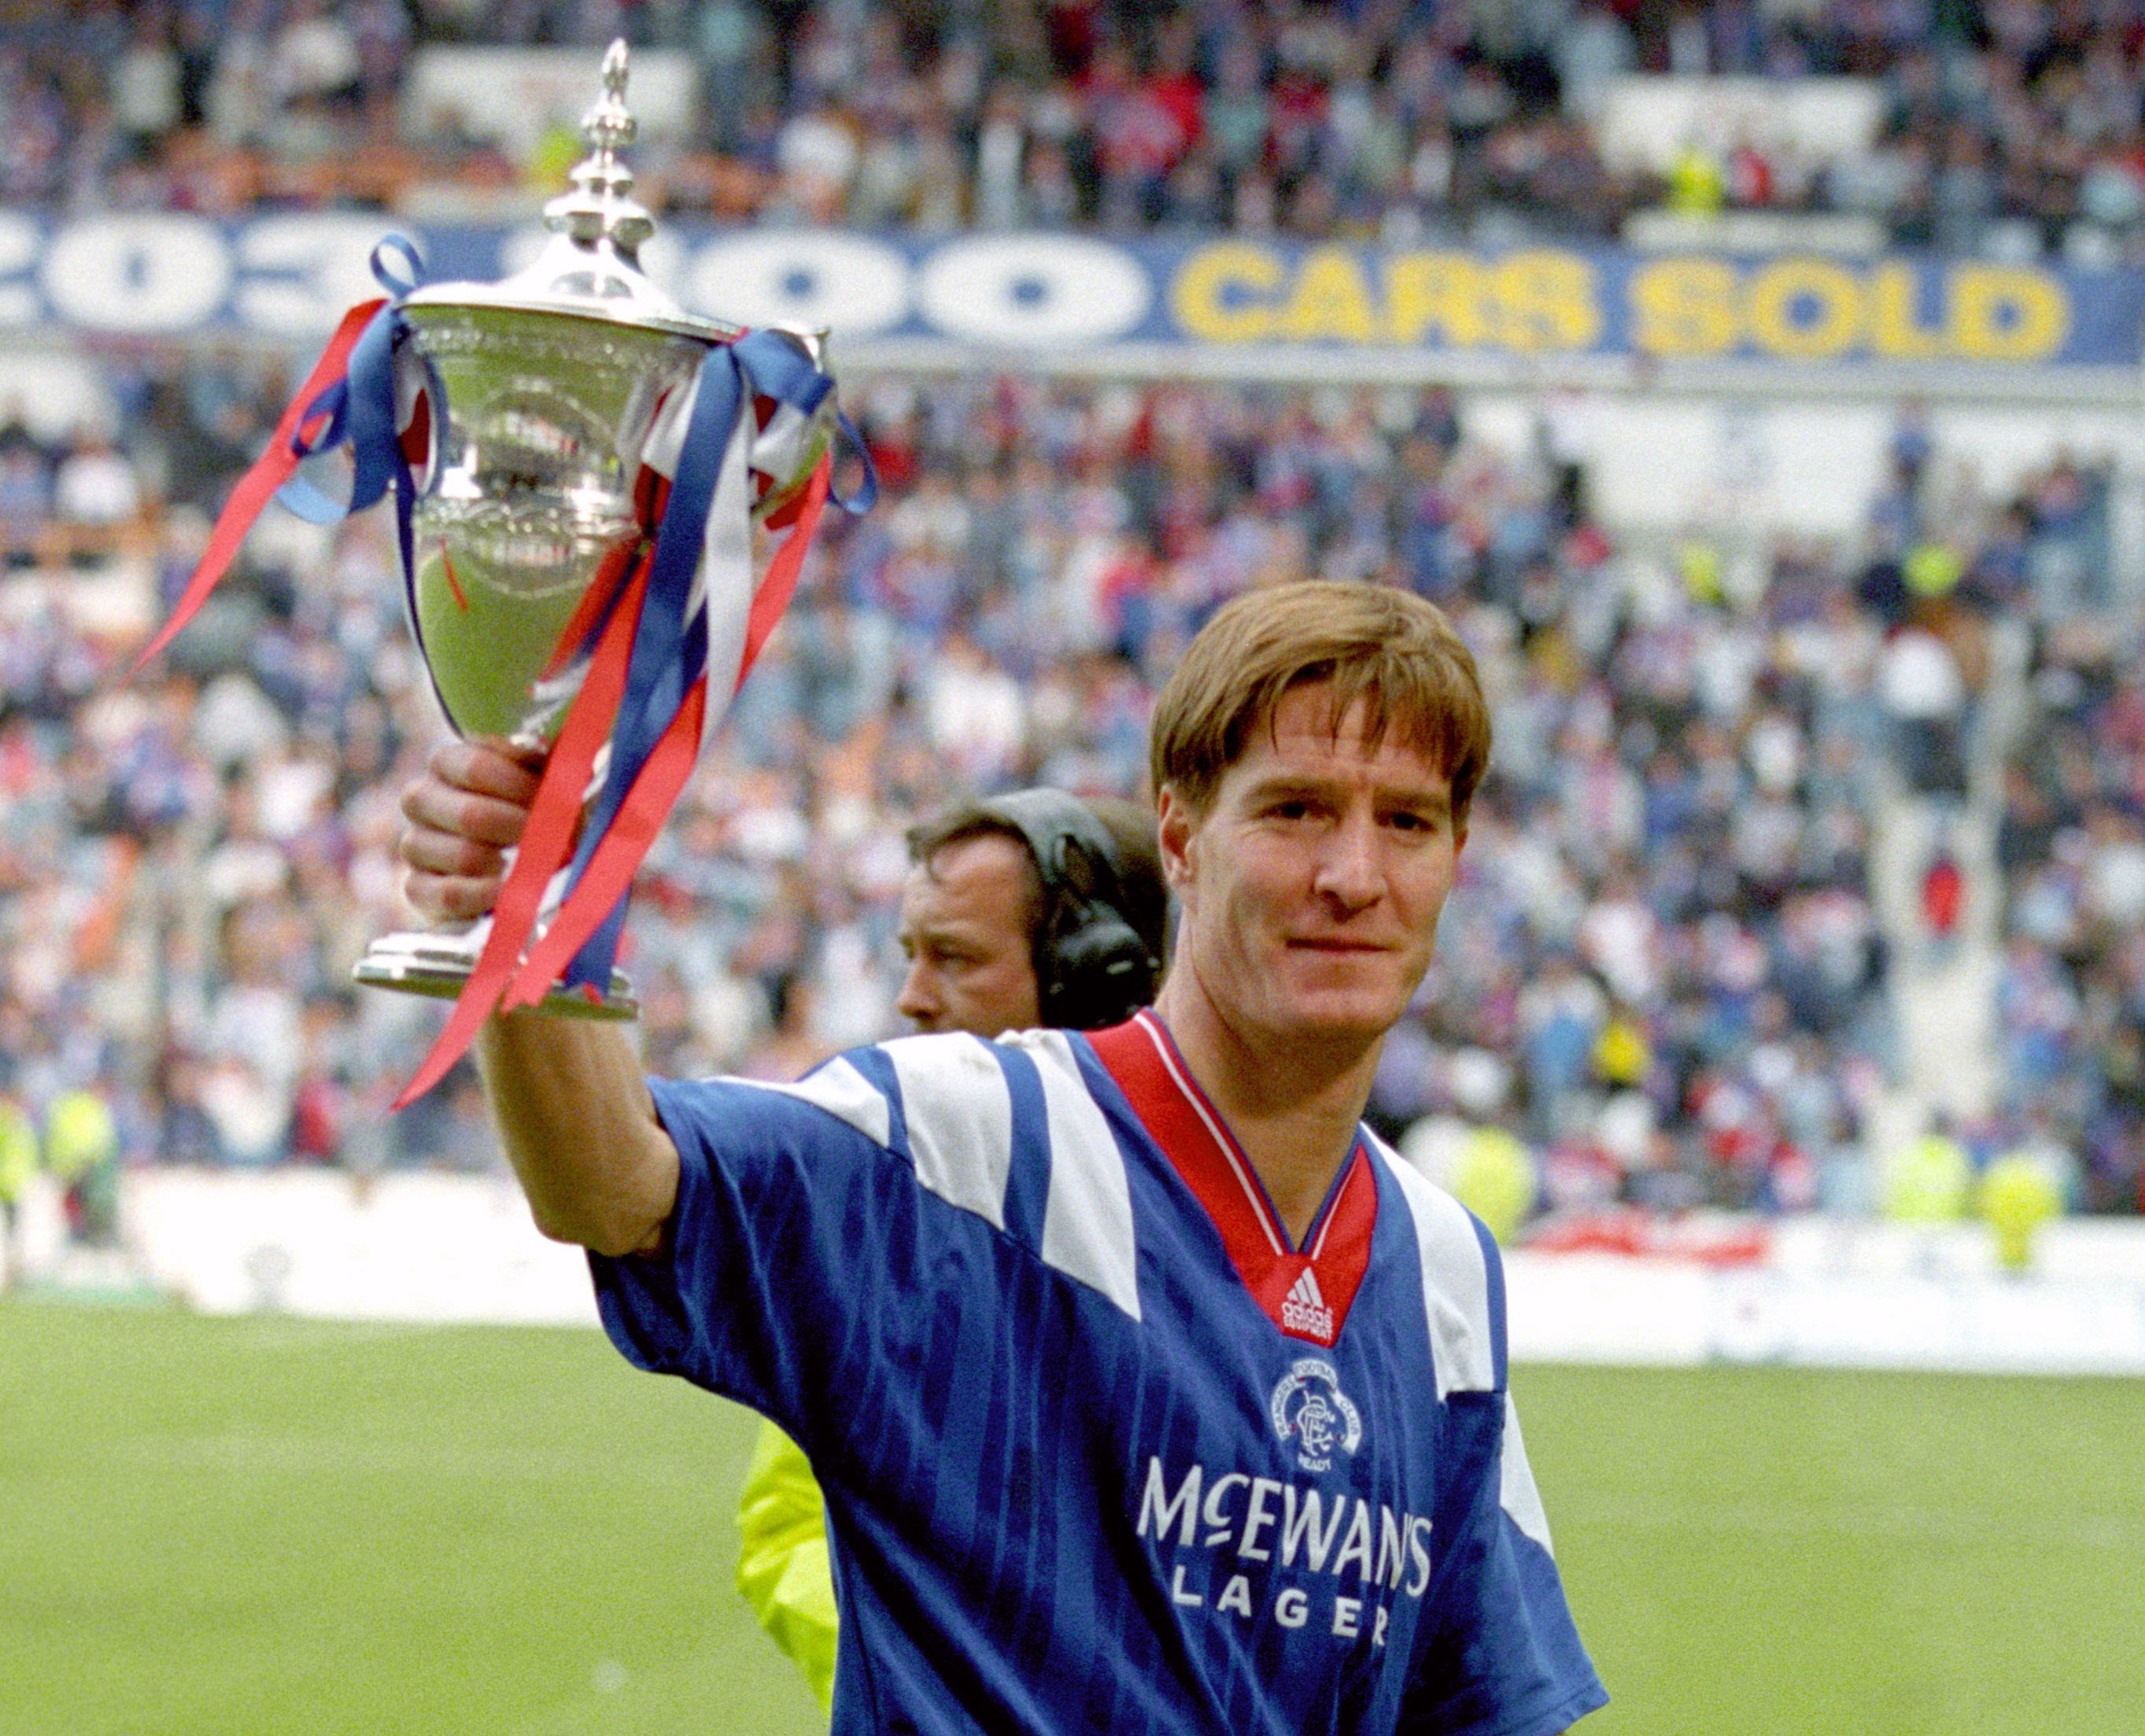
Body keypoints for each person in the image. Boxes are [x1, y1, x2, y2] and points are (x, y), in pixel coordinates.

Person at [397, 578, 1607, 1735]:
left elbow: (1475, 1701)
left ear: (1456, 855)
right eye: (1294, 809)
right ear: (1181, 834)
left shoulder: (1442, 1266)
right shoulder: (958, 1139)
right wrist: (539, 915)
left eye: (1405, 821)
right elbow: (613, 1180)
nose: (1352, 874)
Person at [739, 786, 1170, 1710]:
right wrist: (952, 1666)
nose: (910, 994)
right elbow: (787, 1531)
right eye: (909, 954)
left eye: (955, 958)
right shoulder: (875, 1220)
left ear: (1093, 978)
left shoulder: (1239, 1204)